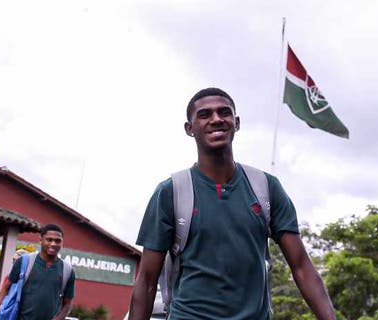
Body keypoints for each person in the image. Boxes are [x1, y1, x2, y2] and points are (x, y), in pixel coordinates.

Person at [128, 88, 336, 319]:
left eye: (224, 113)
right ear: (190, 129)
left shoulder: (266, 187)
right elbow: (146, 281)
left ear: (236, 123)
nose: (216, 119)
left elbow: (302, 268)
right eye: (205, 115)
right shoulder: (171, 192)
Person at [0, 223, 75, 320]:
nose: (53, 244)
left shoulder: (67, 270)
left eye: (58, 241)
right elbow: (6, 287)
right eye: (49, 240)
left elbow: (68, 303)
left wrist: (58, 318)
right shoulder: (23, 262)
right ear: (40, 240)